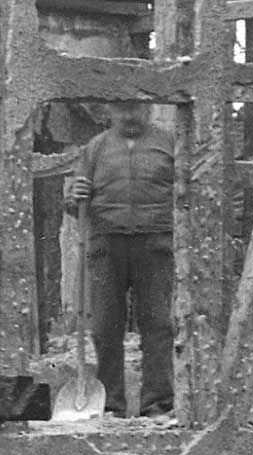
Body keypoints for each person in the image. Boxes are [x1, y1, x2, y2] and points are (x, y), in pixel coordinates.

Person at [66, 95, 177, 415]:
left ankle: (157, 401)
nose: (128, 115)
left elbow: (187, 192)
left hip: (154, 241)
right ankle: (111, 402)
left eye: (135, 107)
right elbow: (75, 204)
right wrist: (75, 197)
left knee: (157, 322)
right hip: (105, 242)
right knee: (105, 325)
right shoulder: (96, 147)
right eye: (121, 108)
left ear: (149, 109)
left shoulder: (168, 144)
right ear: (110, 111)